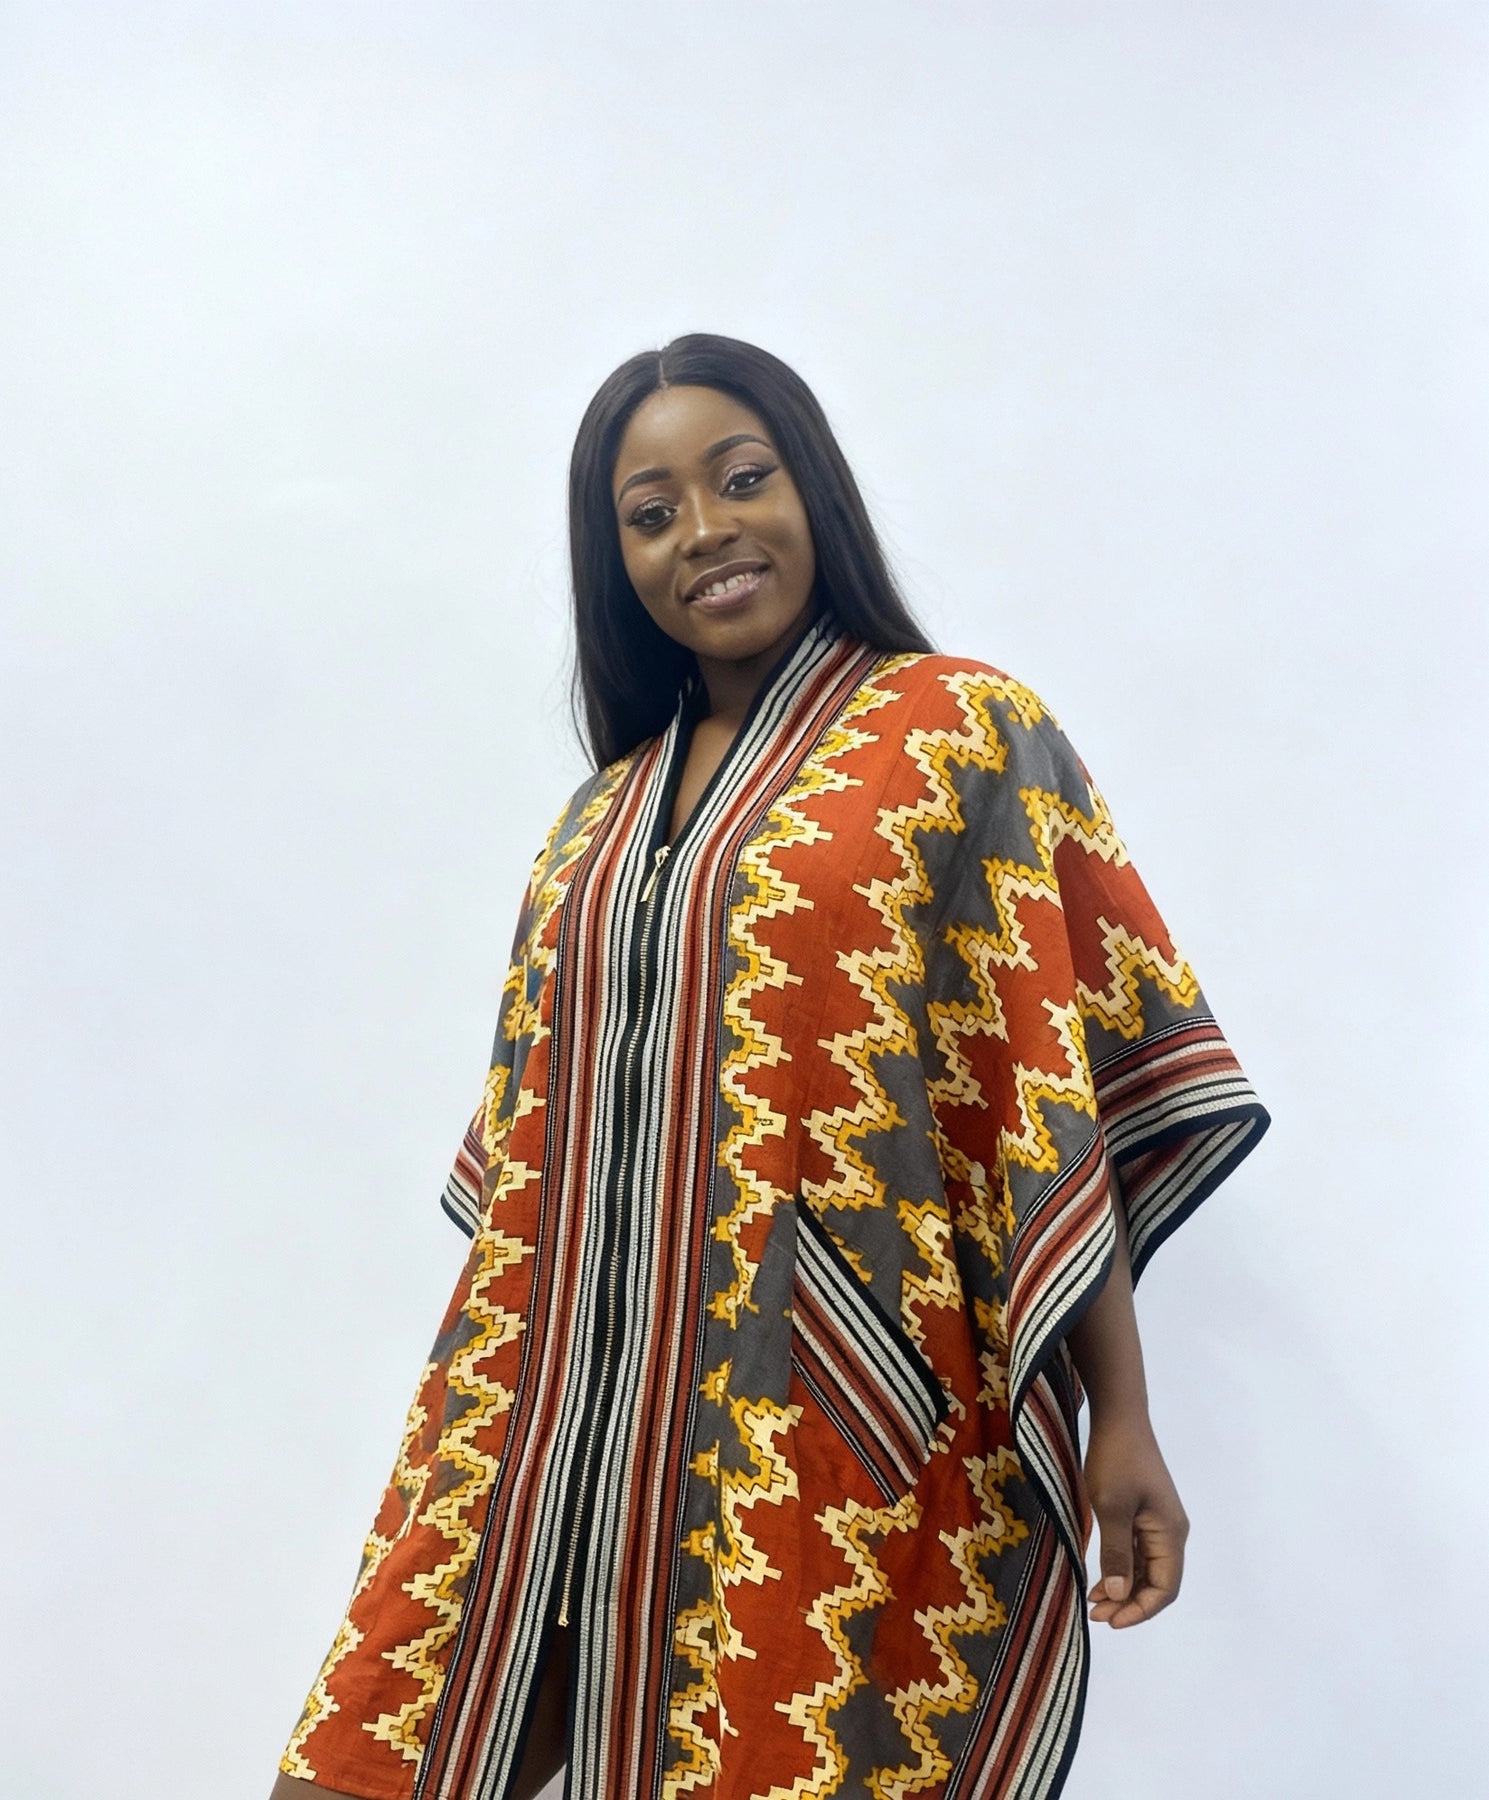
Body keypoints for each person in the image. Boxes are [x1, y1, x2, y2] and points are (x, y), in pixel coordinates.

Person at [270, 334, 1269, 1800]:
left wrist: (1121, 1413)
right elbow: (529, 1155)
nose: (704, 532)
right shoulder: (594, 821)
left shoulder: (960, 733)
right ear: (615, 561)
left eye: (741, 479)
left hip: (804, 1418)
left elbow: (1048, 1097)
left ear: (814, 490)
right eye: (651, 512)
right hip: (538, 1421)